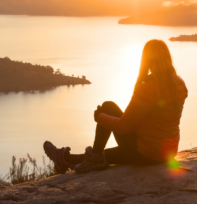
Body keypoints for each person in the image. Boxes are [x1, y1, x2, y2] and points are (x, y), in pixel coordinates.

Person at [43, 39, 188, 174]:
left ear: (148, 61)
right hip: (167, 151)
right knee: (104, 155)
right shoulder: (179, 83)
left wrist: (100, 117)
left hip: (146, 153)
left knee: (107, 107)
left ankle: (68, 159)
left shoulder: (148, 88)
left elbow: (123, 127)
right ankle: (66, 159)